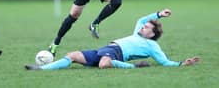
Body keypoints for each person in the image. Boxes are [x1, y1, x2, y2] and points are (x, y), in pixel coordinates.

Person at [26, 9, 200, 70]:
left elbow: (164, 62)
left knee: (104, 64)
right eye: (143, 26)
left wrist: (182, 64)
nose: (142, 27)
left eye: (146, 27)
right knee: (72, 55)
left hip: (115, 53)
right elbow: (141, 19)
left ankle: (133, 67)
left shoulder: (152, 46)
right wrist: (158, 14)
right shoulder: (137, 32)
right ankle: (42, 69)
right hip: (105, 49)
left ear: (152, 34)